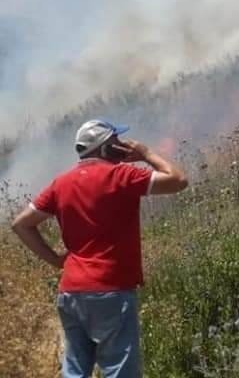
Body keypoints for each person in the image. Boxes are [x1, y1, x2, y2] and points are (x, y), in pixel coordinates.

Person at [10, 119, 188, 378]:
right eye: (117, 142)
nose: (123, 146)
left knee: (75, 372)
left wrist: (57, 261)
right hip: (111, 292)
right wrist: (145, 153)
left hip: (71, 292)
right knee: (119, 372)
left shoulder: (61, 183)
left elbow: (21, 224)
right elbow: (179, 180)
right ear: (106, 149)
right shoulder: (121, 176)